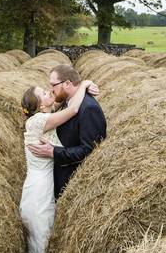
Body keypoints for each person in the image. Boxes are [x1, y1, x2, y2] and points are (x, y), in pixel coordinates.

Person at [19, 77, 99, 253]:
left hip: (43, 188)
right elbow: (74, 109)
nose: (48, 92)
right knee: (39, 250)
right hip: (38, 193)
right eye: (44, 92)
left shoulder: (43, 118)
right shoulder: (39, 120)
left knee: (42, 247)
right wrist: (83, 84)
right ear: (39, 104)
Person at [28, 63, 107, 200]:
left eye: (53, 85)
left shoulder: (88, 108)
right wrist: (85, 83)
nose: (51, 89)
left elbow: (91, 150)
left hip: (72, 183)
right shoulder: (67, 100)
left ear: (67, 84)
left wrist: (53, 152)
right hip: (56, 177)